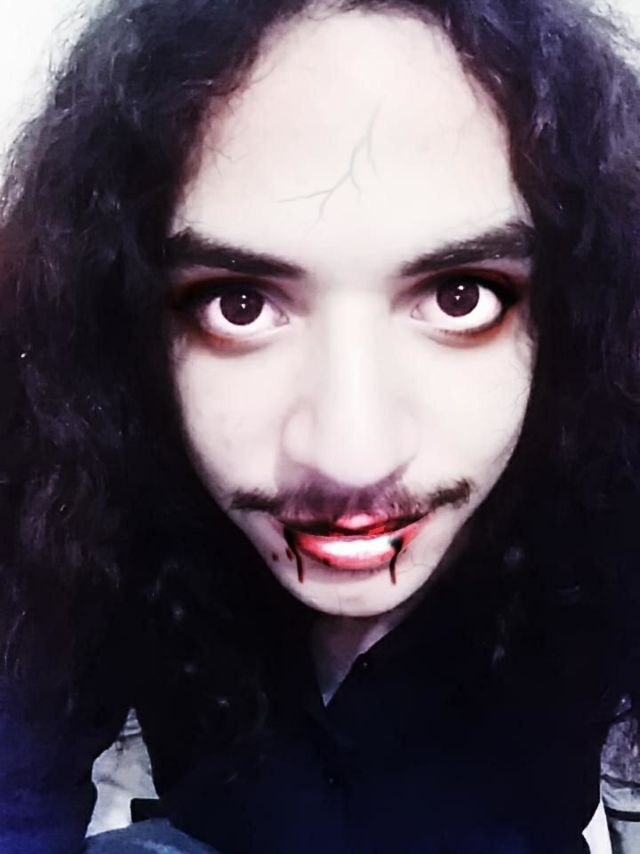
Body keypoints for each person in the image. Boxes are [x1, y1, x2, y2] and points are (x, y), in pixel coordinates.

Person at [1, 0, 640, 852]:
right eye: (238, 304)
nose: (351, 458)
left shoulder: (611, 493)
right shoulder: (90, 497)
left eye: (461, 296)